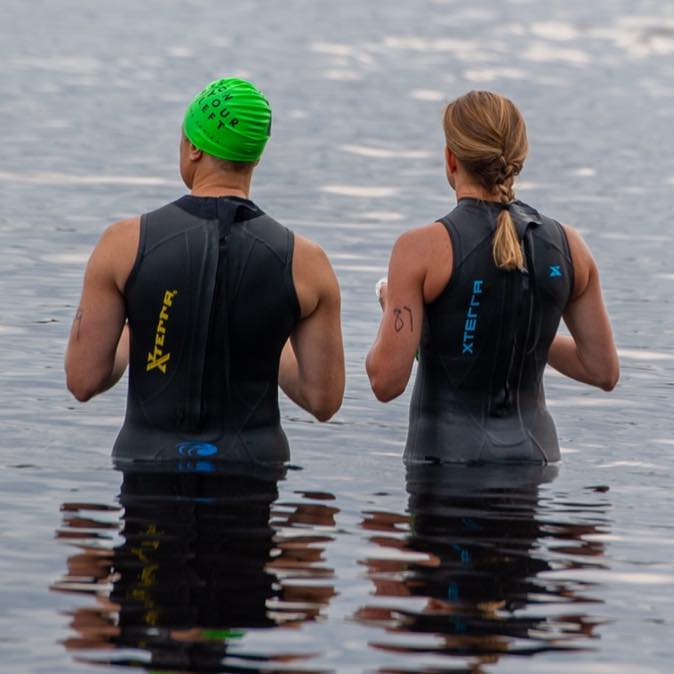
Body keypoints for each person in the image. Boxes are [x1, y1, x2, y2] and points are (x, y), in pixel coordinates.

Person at [65, 78, 344, 464]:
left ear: (193, 147)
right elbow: (324, 400)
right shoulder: (307, 262)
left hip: (149, 465)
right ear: (256, 158)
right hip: (254, 469)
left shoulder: (124, 243)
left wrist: (139, 329)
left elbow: (82, 381)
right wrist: (263, 342)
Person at [366, 91, 619, 464]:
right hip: (539, 462)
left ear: (451, 158)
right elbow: (603, 370)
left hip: (447, 467)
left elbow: (385, 382)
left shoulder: (420, 248)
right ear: (520, 157)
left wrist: (397, 312)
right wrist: (520, 332)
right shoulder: (570, 246)